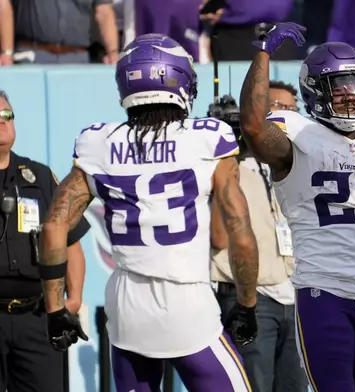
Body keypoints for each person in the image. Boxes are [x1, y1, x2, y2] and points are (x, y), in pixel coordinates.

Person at [38, 33, 260, 392]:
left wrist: (54, 310)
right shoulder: (205, 138)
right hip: (186, 302)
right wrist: (247, 304)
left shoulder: (100, 143)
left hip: (127, 303)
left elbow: (52, 227)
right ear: (183, 81)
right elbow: (240, 232)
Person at [239, 23, 355, 392]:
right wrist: (263, 53)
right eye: (341, 90)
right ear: (315, 93)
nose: (353, 98)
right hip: (324, 292)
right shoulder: (297, 134)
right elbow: (254, 127)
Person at [212, 88, 308, 391]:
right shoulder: (227, 164)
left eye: (295, 109)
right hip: (249, 299)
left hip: (296, 296)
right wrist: (225, 156)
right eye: (281, 108)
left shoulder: (298, 163)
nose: (290, 116)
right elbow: (218, 237)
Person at [0, 90, 90, 392]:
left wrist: (73, 299)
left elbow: (71, 243)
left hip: (36, 317)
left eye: (7, 116)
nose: (3, 123)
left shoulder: (38, 176)